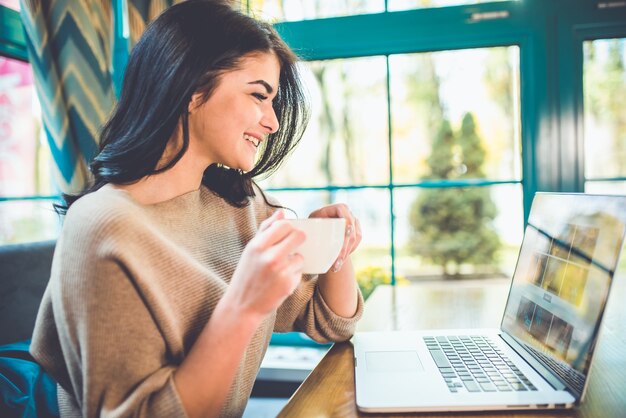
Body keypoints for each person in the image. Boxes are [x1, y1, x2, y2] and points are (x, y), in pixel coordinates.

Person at [29, 1, 364, 417]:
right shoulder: (103, 226)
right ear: (191, 88)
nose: (273, 122)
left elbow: (332, 323)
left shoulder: (241, 205)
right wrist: (244, 304)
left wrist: (336, 248)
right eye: (259, 95)